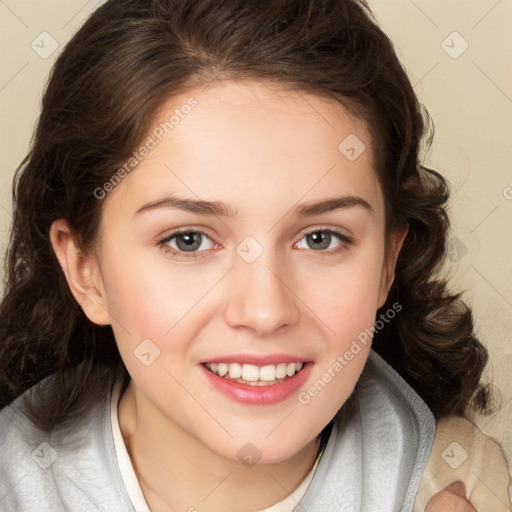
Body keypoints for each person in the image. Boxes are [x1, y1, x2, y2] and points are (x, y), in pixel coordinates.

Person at [0, 0, 509, 511]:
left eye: (320, 238)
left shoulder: (461, 485)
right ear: (86, 271)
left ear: (386, 264)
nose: (265, 312)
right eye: (188, 240)